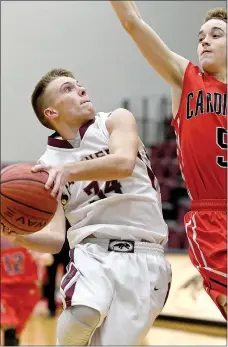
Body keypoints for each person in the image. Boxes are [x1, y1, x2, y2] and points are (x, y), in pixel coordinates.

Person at [1, 68, 171, 345]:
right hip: (93, 252)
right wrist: (14, 234)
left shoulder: (115, 121)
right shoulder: (46, 166)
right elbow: (55, 239)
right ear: (51, 113)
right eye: (67, 89)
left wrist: (68, 170)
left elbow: (124, 163)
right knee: (83, 313)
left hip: (147, 255)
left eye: (79, 85)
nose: (81, 90)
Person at [110, 2, 227, 318]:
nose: (204, 41)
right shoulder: (186, 78)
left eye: (216, 35)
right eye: (201, 36)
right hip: (213, 218)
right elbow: (133, 23)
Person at [0, 236, 53, 345]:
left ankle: (13, 338)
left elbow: (48, 259)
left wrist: (41, 257)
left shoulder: (31, 242)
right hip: (4, 288)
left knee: (17, 331)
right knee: (9, 326)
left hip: (28, 290)